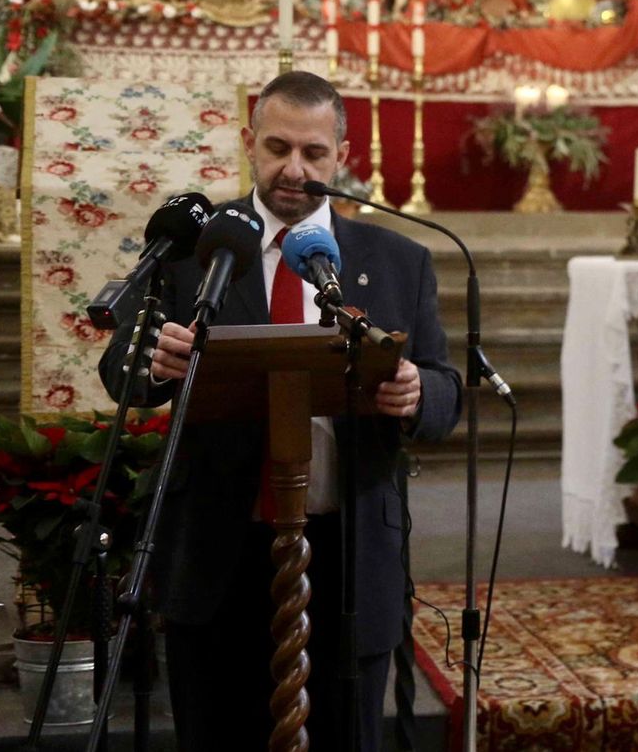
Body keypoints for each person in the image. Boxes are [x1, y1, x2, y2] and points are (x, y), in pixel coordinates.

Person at [97, 71, 461, 751]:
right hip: (218, 548)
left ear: (342, 156)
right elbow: (120, 365)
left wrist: (417, 393)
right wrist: (150, 363)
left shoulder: (398, 261)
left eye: (314, 153)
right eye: (277, 148)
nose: (294, 169)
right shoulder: (196, 251)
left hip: (348, 551)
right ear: (249, 144)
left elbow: (445, 390)